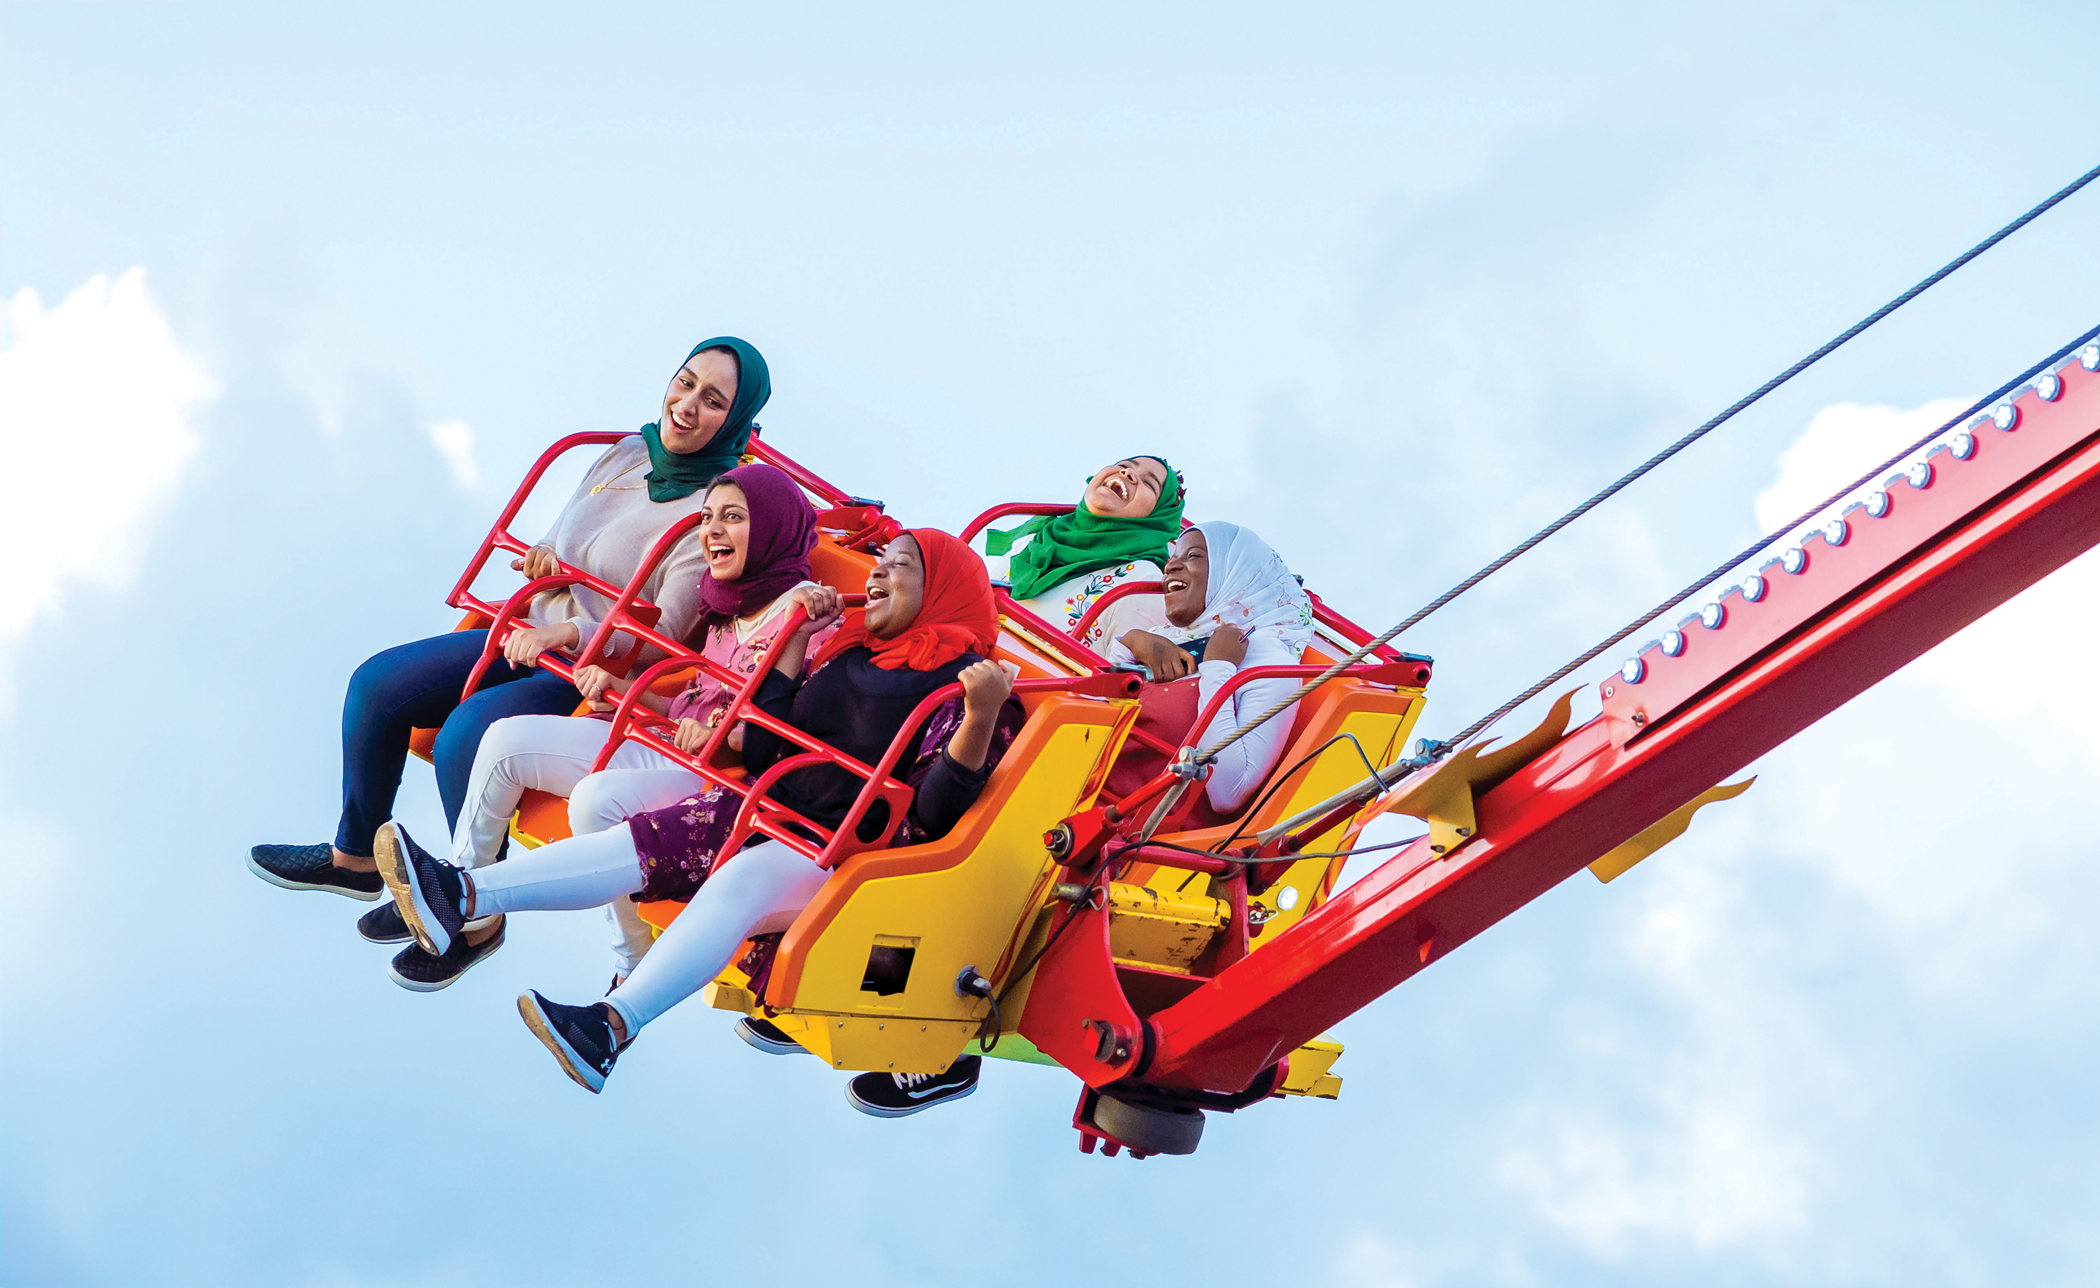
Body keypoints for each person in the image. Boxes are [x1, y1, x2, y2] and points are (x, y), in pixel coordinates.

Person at [370, 528, 1025, 1101]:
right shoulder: (853, 653)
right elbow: (771, 740)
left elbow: (939, 814)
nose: (878, 573)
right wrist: (794, 636)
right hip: (773, 807)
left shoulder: (973, 688)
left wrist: (981, 716)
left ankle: (608, 1026)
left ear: (943, 589)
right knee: (642, 840)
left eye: (901, 565)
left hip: (853, 858)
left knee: (741, 883)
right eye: (880, 562)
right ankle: (461, 890)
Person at [249, 336, 771, 993]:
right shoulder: (630, 451)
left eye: (714, 400)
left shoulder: (712, 514)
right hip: (523, 628)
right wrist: (547, 556)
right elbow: (567, 530)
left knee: (467, 735)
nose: (688, 405)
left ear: (737, 420)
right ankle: (355, 858)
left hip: (585, 668)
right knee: (376, 687)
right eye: (685, 382)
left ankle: (471, 913)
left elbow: (667, 631)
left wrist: (568, 632)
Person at [436, 461, 835, 991]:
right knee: (503, 740)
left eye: (733, 517)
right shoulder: (726, 608)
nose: (711, 530)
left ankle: (631, 960)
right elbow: (688, 705)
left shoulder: (810, 618)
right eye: (708, 516)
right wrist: (622, 689)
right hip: (668, 741)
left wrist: (730, 737)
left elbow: (795, 727)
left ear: (771, 529)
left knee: (596, 801)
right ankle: (459, 892)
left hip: (720, 776)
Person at [1111, 522, 1316, 814]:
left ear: (1236, 574)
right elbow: (1093, 711)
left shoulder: (1271, 662)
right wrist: (1129, 643)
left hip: (1130, 835)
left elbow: (1228, 793)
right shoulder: (1167, 636)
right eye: (1173, 558)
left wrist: (1218, 668)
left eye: (1193, 556)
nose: (1170, 567)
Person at [983, 455, 1183, 654]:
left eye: (1149, 483)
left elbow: (1123, 677)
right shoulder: (1035, 541)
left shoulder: (1141, 580)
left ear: (1160, 518)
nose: (1128, 473)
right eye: (1123, 465)